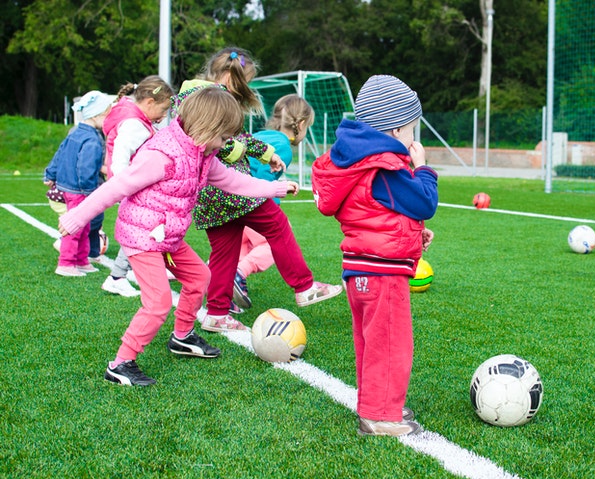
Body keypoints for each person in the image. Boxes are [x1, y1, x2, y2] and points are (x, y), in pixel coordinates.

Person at [58, 86, 299, 386]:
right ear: (207, 127)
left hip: (167, 237)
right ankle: (120, 364)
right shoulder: (162, 155)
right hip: (142, 237)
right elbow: (117, 187)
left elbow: (233, 181)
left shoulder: (203, 154)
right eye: (224, 138)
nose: (226, 145)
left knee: (200, 277)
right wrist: (77, 217)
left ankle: (182, 337)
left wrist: (275, 188)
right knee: (158, 302)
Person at [175, 47, 342, 332]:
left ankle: (216, 313)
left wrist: (267, 154)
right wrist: (242, 152)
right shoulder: (207, 99)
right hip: (230, 188)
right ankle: (304, 286)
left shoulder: (197, 94)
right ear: (229, 76)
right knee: (277, 225)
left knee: (224, 252)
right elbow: (217, 142)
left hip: (209, 195)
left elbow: (238, 136)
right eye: (244, 81)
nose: (245, 88)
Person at [311, 75, 438, 436]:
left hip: (361, 268)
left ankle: (377, 403)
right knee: (390, 343)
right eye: (412, 129)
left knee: (372, 343)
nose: (414, 139)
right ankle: (380, 416)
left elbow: (376, 212)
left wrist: (413, 235)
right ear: (396, 128)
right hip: (382, 274)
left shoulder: (358, 163)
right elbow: (424, 201)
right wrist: (423, 167)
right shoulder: (384, 167)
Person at [232, 94, 315, 313]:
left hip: (231, 199)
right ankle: (239, 273)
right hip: (251, 203)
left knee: (239, 246)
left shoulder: (261, 135)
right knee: (273, 243)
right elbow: (261, 174)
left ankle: (223, 287)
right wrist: (272, 198)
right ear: (302, 124)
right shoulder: (284, 148)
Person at [100, 75, 175, 298]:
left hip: (134, 186)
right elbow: (121, 158)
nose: (163, 117)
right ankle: (117, 277)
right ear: (149, 103)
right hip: (133, 187)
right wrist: (126, 185)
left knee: (146, 228)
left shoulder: (135, 118)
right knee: (141, 230)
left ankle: (128, 272)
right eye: (163, 110)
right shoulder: (134, 125)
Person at [44, 90, 114, 277]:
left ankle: (81, 261)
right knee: (76, 226)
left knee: (84, 225)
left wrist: (50, 173)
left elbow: (59, 152)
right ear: (97, 115)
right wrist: (90, 192)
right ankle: (66, 263)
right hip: (80, 190)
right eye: (107, 115)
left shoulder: (75, 132)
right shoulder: (92, 139)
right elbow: (86, 167)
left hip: (70, 187)